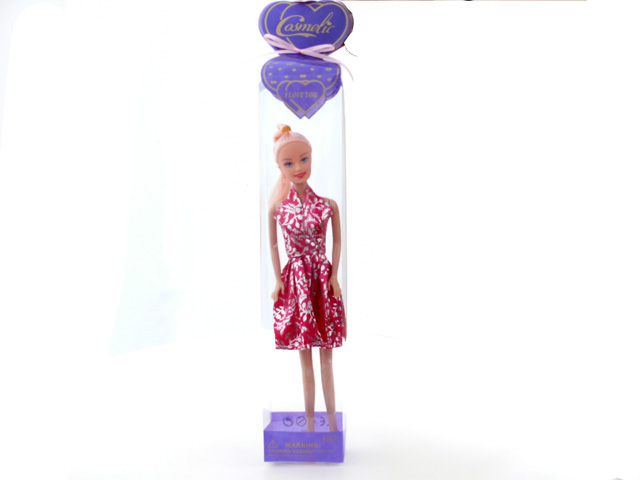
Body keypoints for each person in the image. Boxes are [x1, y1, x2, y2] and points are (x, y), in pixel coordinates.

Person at [267, 124, 346, 432]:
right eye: (289, 163)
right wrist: (278, 280)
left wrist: (335, 275)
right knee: (305, 360)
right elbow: (274, 246)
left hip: (323, 280)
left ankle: (332, 425)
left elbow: (336, 242)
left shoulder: (328, 205)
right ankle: (311, 426)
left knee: (327, 358)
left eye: (304, 159)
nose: (298, 167)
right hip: (297, 282)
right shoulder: (278, 209)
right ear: (280, 168)